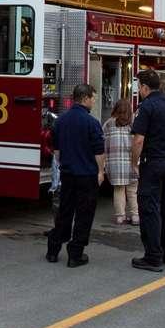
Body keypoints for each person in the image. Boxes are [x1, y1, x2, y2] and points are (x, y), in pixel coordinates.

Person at [130, 69, 165, 272]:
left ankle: (153, 256)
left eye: (139, 86)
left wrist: (134, 163)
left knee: (149, 210)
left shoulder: (146, 107)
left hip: (152, 164)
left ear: (145, 87)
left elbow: (138, 139)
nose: (139, 90)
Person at [46, 84, 105, 268]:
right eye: (93, 98)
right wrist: (101, 171)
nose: (94, 101)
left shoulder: (61, 121)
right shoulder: (92, 123)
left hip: (68, 174)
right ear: (85, 98)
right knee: (84, 215)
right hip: (87, 175)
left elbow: (56, 151)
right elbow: (98, 151)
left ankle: (53, 249)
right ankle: (75, 254)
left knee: (65, 212)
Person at [103, 98, 138, 225]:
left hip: (115, 165)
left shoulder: (108, 124)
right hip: (131, 163)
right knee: (132, 191)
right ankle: (135, 216)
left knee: (118, 190)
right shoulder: (134, 124)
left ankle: (120, 217)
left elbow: (103, 143)